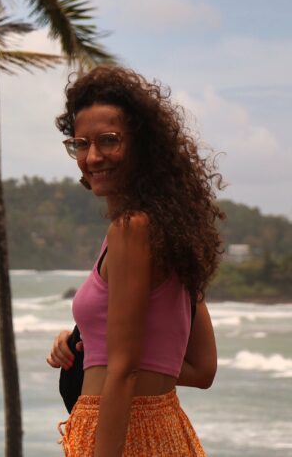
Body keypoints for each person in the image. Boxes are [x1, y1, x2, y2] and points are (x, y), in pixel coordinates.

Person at [47, 66, 224, 457]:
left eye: (109, 140)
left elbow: (123, 370)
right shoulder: (170, 232)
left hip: (125, 438)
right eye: (80, 144)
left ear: (142, 146)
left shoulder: (131, 229)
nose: (92, 156)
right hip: (164, 429)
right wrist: (87, 346)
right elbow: (201, 368)